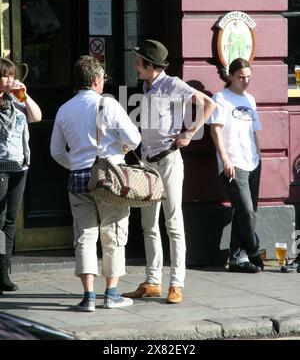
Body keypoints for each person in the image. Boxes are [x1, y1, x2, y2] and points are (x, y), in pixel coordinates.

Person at [122, 40, 216, 304]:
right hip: (148, 163)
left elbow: (209, 104)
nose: (135, 66)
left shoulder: (172, 84)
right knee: (148, 224)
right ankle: (153, 281)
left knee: (173, 223)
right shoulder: (146, 85)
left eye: (138, 62)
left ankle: (177, 283)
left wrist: (190, 132)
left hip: (169, 161)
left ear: (151, 65)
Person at [50, 55, 141, 311]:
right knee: (113, 233)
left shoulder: (64, 109)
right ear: (97, 80)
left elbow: (56, 151)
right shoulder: (108, 105)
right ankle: (111, 293)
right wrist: (120, 145)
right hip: (109, 177)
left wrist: (76, 165)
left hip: (78, 178)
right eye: (104, 79)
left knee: (84, 236)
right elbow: (134, 139)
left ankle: (88, 296)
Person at [209, 58, 264, 273]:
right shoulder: (221, 98)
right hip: (233, 162)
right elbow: (215, 130)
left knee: (243, 212)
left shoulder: (250, 99)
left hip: (252, 162)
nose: (246, 81)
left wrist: (259, 157)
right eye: (241, 77)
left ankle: (235, 258)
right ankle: (254, 250)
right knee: (247, 211)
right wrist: (225, 160)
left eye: (249, 77)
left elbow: (254, 131)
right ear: (230, 76)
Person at [0, 58, 42, 295]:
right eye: (5, 75)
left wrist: (24, 96)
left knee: (10, 222)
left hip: (19, 166)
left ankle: (4, 271)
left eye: (12, 75)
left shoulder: (16, 100)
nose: (10, 79)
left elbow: (36, 116)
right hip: (0, 166)